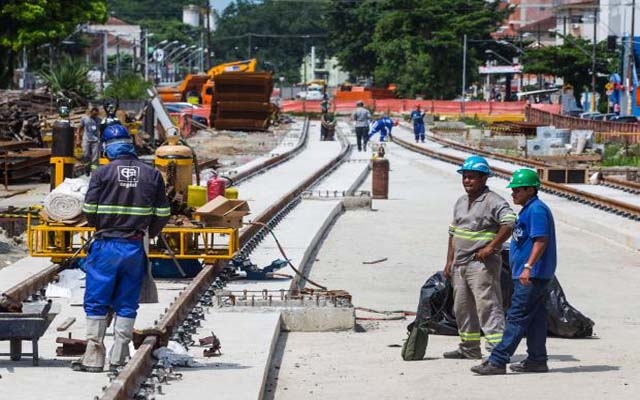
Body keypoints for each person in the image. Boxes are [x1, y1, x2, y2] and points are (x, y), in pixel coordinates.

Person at [72, 125, 170, 373]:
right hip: (134, 245)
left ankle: (93, 358)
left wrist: (101, 226)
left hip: (106, 245)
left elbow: (89, 210)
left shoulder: (101, 173)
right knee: (127, 301)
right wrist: (151, 232)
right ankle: (119, 358)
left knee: (96, 299)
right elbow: (163, 213)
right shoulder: (152, 174)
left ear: (106, 147)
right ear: (130, 144)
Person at [471, 169, 557, 375]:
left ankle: (498, 360)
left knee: (516, 317)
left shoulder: (536, 210)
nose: (513, 194)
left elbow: (541, 240)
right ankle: (537, 360)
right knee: (536, 318)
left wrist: (528, 267)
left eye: (518, 190)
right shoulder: (527, 210)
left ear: (530, 189)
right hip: (529, 273)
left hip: (532, 275)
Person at [443, 155, 516, 360]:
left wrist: (492, 246)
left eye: (472, 177)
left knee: (488, 306)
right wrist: (449, 261)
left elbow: (509, 222)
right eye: (465, 177)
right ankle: (469, 348)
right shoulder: (460, 202)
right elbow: (453, 233)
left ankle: (497, 352)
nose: (467, 181)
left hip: (481, 265)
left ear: (484, 178)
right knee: (462, 307)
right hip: (460, 264)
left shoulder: (493, 201)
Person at [76, 107, 101, 174]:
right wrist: (78, 139)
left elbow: (101, 129)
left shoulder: (99, 120)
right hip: (86, 139)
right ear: (90, 112)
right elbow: (79, 128)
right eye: (93, 113)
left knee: (95, 158)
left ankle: (94, 172)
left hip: (96, 141)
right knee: (85, 155)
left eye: (96, 113)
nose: (95, 115)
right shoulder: (84, 118)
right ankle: (87, 168)